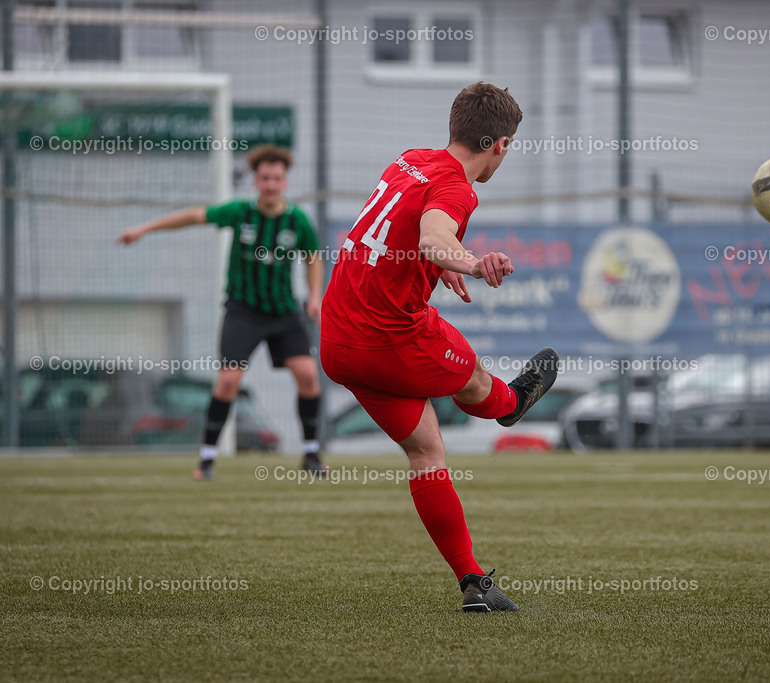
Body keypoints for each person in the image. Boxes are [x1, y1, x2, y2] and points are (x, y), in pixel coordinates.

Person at [320, 82, 558, 613]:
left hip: (337, 340)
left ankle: (474, 583)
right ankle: (513, 403)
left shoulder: (410, 159)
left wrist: (438, 263)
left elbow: (400, 232)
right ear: (499, 144)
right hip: (389, 336)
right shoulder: (458, 188)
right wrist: (470, 262)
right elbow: (431, 236)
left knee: (427, 452)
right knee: (475, 380)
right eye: (510, 146)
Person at [117, 144, 327, 480]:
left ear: (285, 181)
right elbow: (193, 216)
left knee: (309, 376)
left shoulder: (297, 220)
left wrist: (315, 296)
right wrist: (144, 229)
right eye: (265, 178)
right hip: (243, 311)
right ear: (256, 181)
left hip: (283, 312)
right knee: (228, 381)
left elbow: (313, 258)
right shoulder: (239, 212)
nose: (271, 184)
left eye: (276, 178)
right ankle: (207, 459)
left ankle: (312, 454)